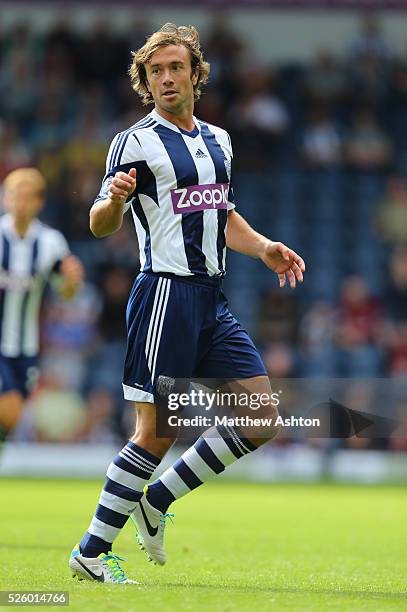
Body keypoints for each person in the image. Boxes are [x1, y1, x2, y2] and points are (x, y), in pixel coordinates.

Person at [69, 23, 305, 584]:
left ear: (196, 74)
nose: (167, 78)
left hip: (210, 299)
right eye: (156, 72)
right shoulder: (134, 141)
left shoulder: (219, 140)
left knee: (261, 419)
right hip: (165, 296)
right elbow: (100, 223)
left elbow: (219, 215)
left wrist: (265, 247)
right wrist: (113, 203)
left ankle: (157, 500)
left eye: (176, 68)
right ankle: (90, 553)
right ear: (145, 82)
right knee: (155, 433)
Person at [0, 167, 84, 440]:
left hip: (26, 346)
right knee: (8, 409)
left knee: (11, 420)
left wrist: (72, 282)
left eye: (26, 197)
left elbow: (67, 292)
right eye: (14, 195)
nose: (19, 203)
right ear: (5, 199)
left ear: (39, 202)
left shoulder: (50, 241)